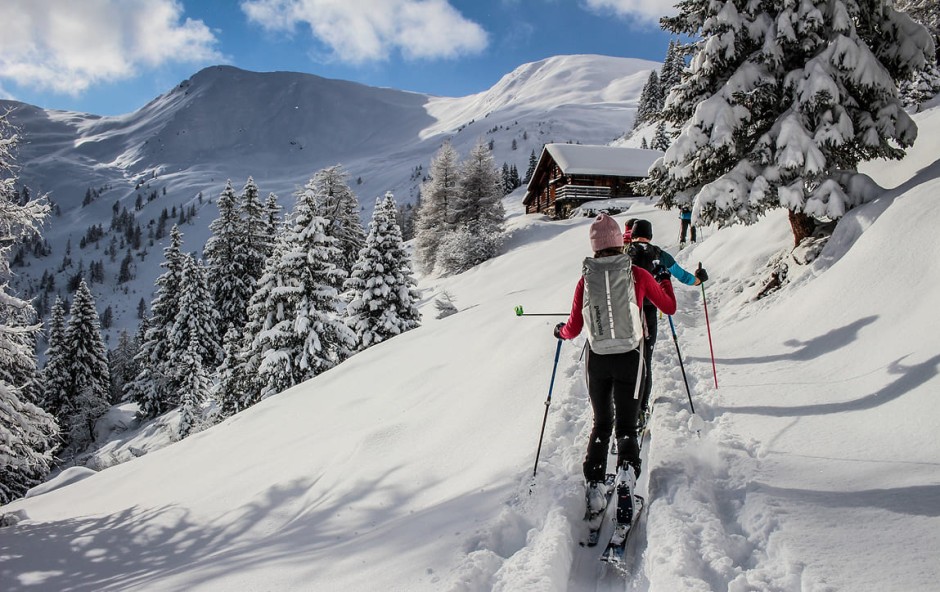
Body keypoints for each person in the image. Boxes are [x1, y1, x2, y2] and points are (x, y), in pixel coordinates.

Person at [553, 214, 677, 522]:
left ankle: (595, 486)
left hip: (597, 359)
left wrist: (560, 332)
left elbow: (574, 326)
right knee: (626, 424)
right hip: (630, 357)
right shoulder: (637, 274)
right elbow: (669, 307)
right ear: (618, 241)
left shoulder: (586, 279)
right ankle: (625, 479)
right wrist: (665, 280)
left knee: (601, 423)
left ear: (595, 246)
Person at [627, 219, 708, 430]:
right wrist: (699, 280)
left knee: (626, 359)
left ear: (633, 234)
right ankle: (641, 410)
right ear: (650, 235)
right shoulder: (660, 255)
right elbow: (682, 276)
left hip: (625, 312)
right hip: (650, 311)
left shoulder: (623, 253)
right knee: (645, 360)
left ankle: (623, 408)